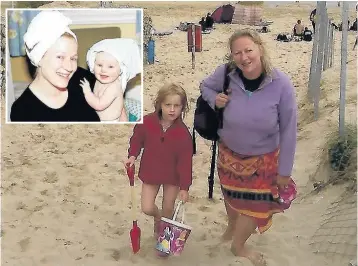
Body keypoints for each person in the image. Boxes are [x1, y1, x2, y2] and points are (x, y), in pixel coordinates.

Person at [200, 29, 297, 266]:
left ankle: (239, 245)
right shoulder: (225, 74)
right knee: (231, 196)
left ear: (260, 49)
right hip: (228, 154)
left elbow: (289, 130)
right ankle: (232, 226)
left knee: (255, 207)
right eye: (238, 53)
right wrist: (215, 99)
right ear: (232, 56)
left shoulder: (281, 84)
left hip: (263, 160)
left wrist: (284, 171)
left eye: (248, 50)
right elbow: (205, 86)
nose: (244, 58)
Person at [125, 83, 193, 241]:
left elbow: (185, 163)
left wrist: (184, 187)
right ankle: (158, 217)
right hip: (151, 172)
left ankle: (163, 238)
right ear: (160, 104)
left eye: (177, 106)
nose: (172, 109)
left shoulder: (183, 134)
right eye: (167, 104)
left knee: (168, 209)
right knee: (147, 207)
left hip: (172, 177)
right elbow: (136, 140)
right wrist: (132, 155)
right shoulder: (147, 122)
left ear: (182, 107)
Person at [10, 10, 100, 122]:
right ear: (39, 58)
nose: (69, 67)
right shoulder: (23, 112)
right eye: (60, 57)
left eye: (73, 58)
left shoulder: (82, 78)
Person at [80, 38, 141, 122]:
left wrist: (87, 91)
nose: (103, 70)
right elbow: (120, 106)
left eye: (110, 66)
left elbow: (99, 105)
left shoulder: (113, 87)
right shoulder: (99, 80)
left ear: (121, 70)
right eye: (99, 65)